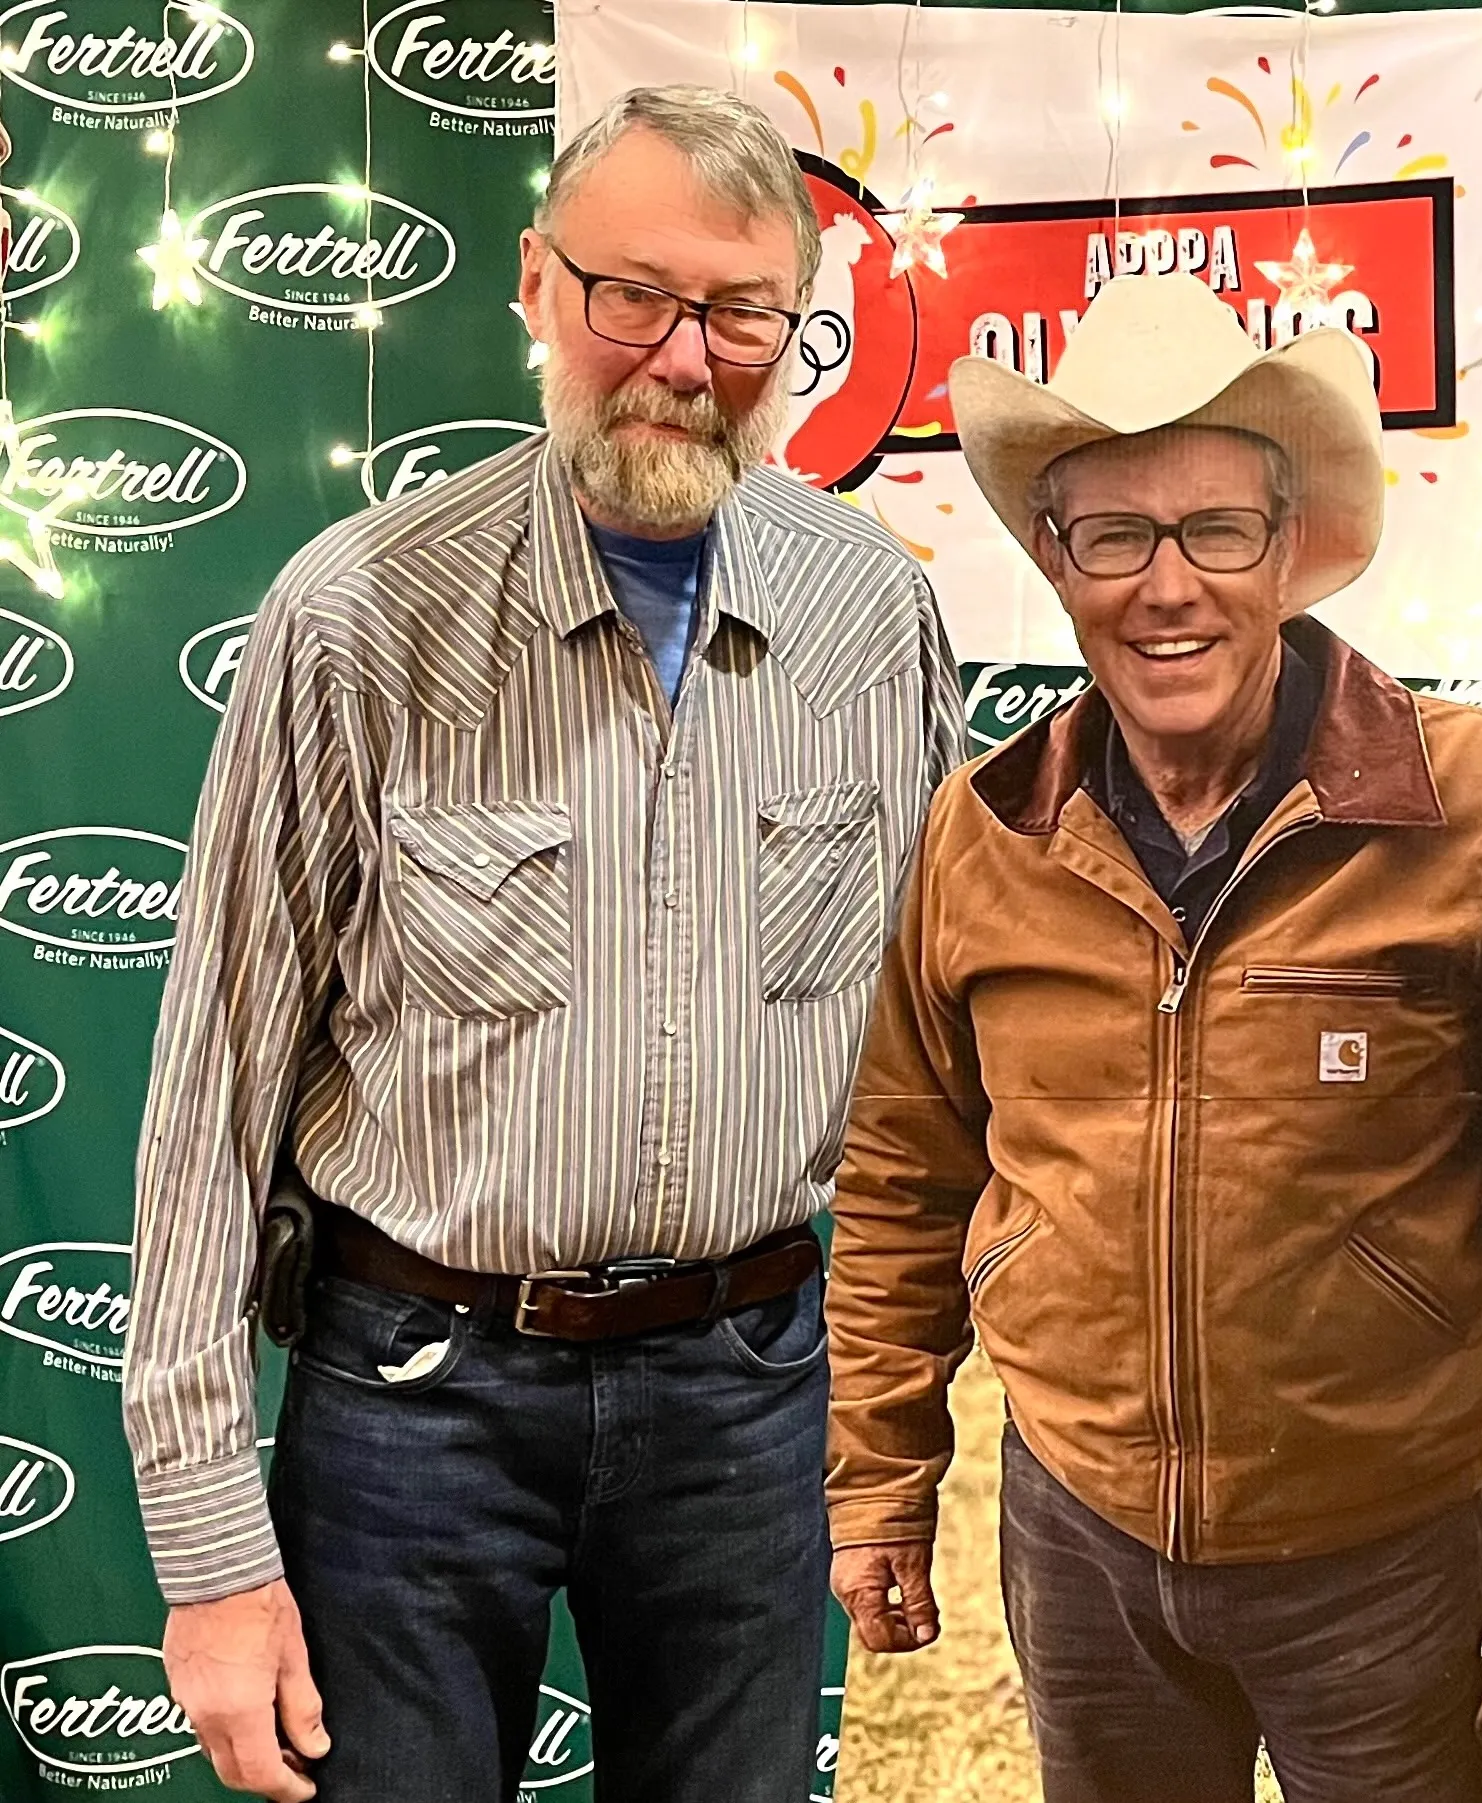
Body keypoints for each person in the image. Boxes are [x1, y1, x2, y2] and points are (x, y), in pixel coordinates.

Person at [122, 86, 964, 1803]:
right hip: (413, 1395)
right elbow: (212, 1092)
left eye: (741, 313)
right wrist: (210, 1560)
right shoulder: (359, 612)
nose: (683, 357)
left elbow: (951, 1056)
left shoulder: (873, 615)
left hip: (753, 1391)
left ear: (796, 331)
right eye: (632, 294)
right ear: (535, 282)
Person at [821, 271, 1482, 1803]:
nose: (1168, 585)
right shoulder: (984, 830)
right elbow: (904, 1170)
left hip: (1387, 1557)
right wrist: (879, 1474)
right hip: (1078, 1540)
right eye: (1115, 535)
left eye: (1215, 530)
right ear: (1056, 558)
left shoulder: (1480, 802)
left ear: (1286, 547)